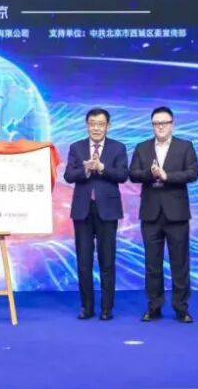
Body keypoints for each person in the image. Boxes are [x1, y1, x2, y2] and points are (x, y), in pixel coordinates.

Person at [129, 106, 198, 323]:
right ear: (152, 125)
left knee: (180, 263)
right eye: (156, 123)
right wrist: (150, 174)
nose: (160, 126)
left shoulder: (185, 146)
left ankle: (181, 308)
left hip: (177, 214)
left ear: (172, 124)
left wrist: (167, 176)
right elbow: (133, 174)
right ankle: (154, 307)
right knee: (152, 264)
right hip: (150, 213)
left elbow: (192, 173)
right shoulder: (142, 147)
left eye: (164, 123)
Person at [63, 108, 129, 320]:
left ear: (108, 126)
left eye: (100, 124)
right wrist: (85, 170)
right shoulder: (77, 147)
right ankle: (87, 307)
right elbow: (68, 175)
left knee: (107, 261)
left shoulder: (118, 147)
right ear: (87, 125)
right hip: (82, 211)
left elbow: (122, 175)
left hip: (107, 211)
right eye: (92, 124)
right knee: (84, 262)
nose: (96, 128)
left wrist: (101, 168)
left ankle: (107, 308)